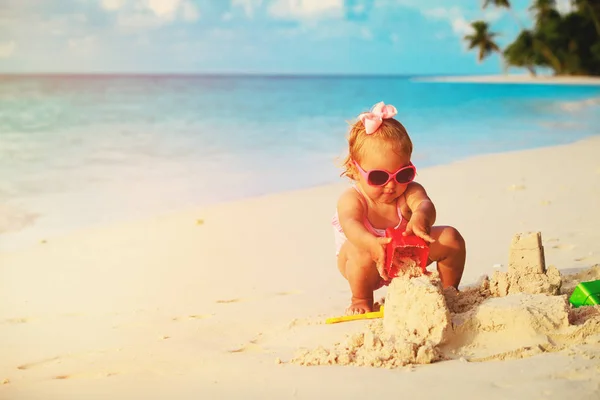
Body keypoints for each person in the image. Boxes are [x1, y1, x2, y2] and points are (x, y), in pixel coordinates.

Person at [332, 101, 466, 315]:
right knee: (359, 250)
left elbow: (424, 204)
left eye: (403, 174)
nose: (392, 184)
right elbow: (350, 224)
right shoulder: (353, 198)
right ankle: (361, 299)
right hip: (365, 265)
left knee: (451, 237)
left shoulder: (408, 192)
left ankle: (450, 290)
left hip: (407, 256)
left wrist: (421, 216)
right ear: (355, 170)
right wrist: (371, 242)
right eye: (379, 177)